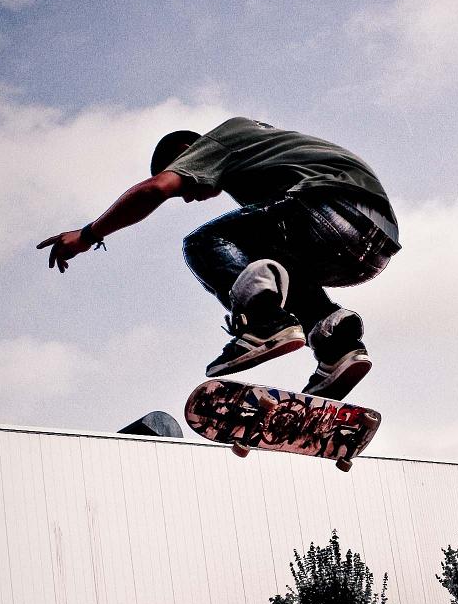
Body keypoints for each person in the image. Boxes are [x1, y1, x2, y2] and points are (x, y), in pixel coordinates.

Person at [38, 118, 400, 400]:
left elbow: (155, 189)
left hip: (331, 205)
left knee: (205, 243)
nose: (187, 197)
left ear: (187, 152)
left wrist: (87, 235)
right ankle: (338, 344)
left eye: (184, 175)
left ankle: (263, 321)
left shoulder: (215, 142)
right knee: (273, 263)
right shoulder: (262, 157)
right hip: (373, 241)